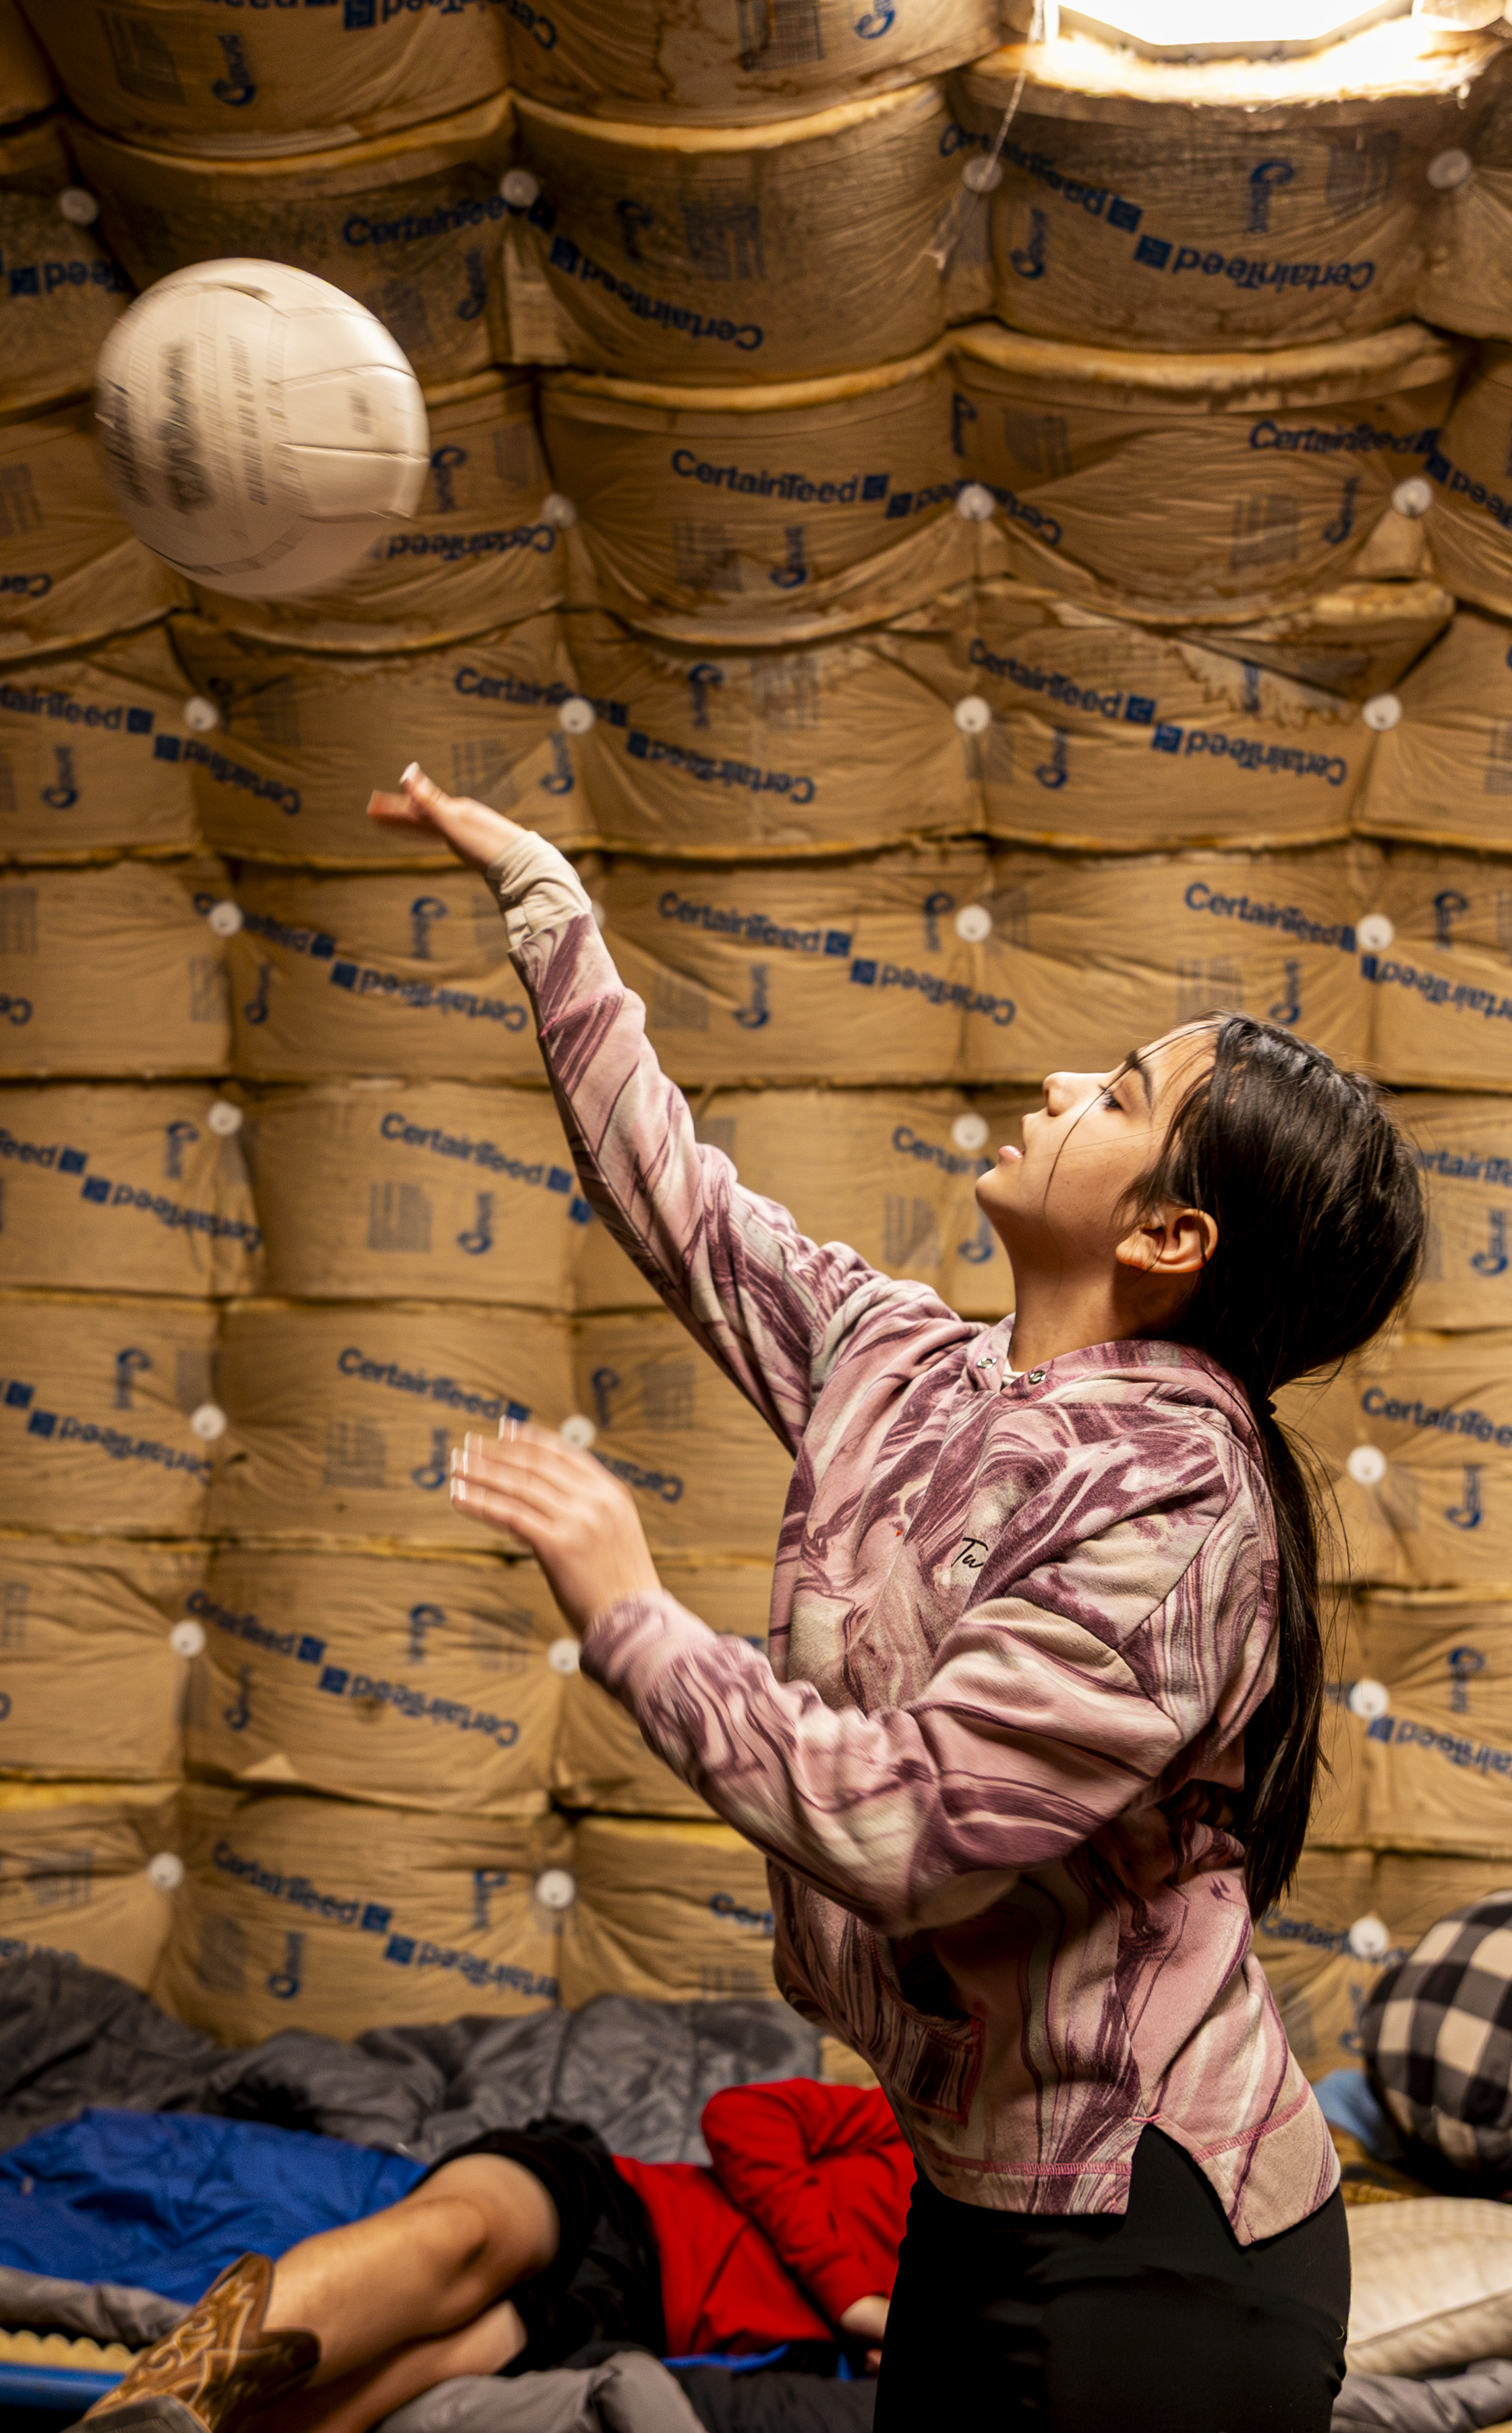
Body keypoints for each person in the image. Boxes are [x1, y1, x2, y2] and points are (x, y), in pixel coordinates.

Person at [379, 771, 1424, 2433]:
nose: (1057, 1085)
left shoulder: (1175, 1501)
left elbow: (910, 1828)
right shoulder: (913, 1369)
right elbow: (677, 1200)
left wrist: (633, 1614)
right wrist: (541, 898)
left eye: (1116, 1094)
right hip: (972, 2194)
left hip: (1153, 2250)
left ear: (1169, 1233)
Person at [80, 2081, 908, 2433]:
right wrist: (849, 2296)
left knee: (396, 2385)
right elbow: (741, 2116)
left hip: (621, 2313)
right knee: (458, 2235)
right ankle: (144, 2404)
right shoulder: (918, 2127)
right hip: (609, 2198)